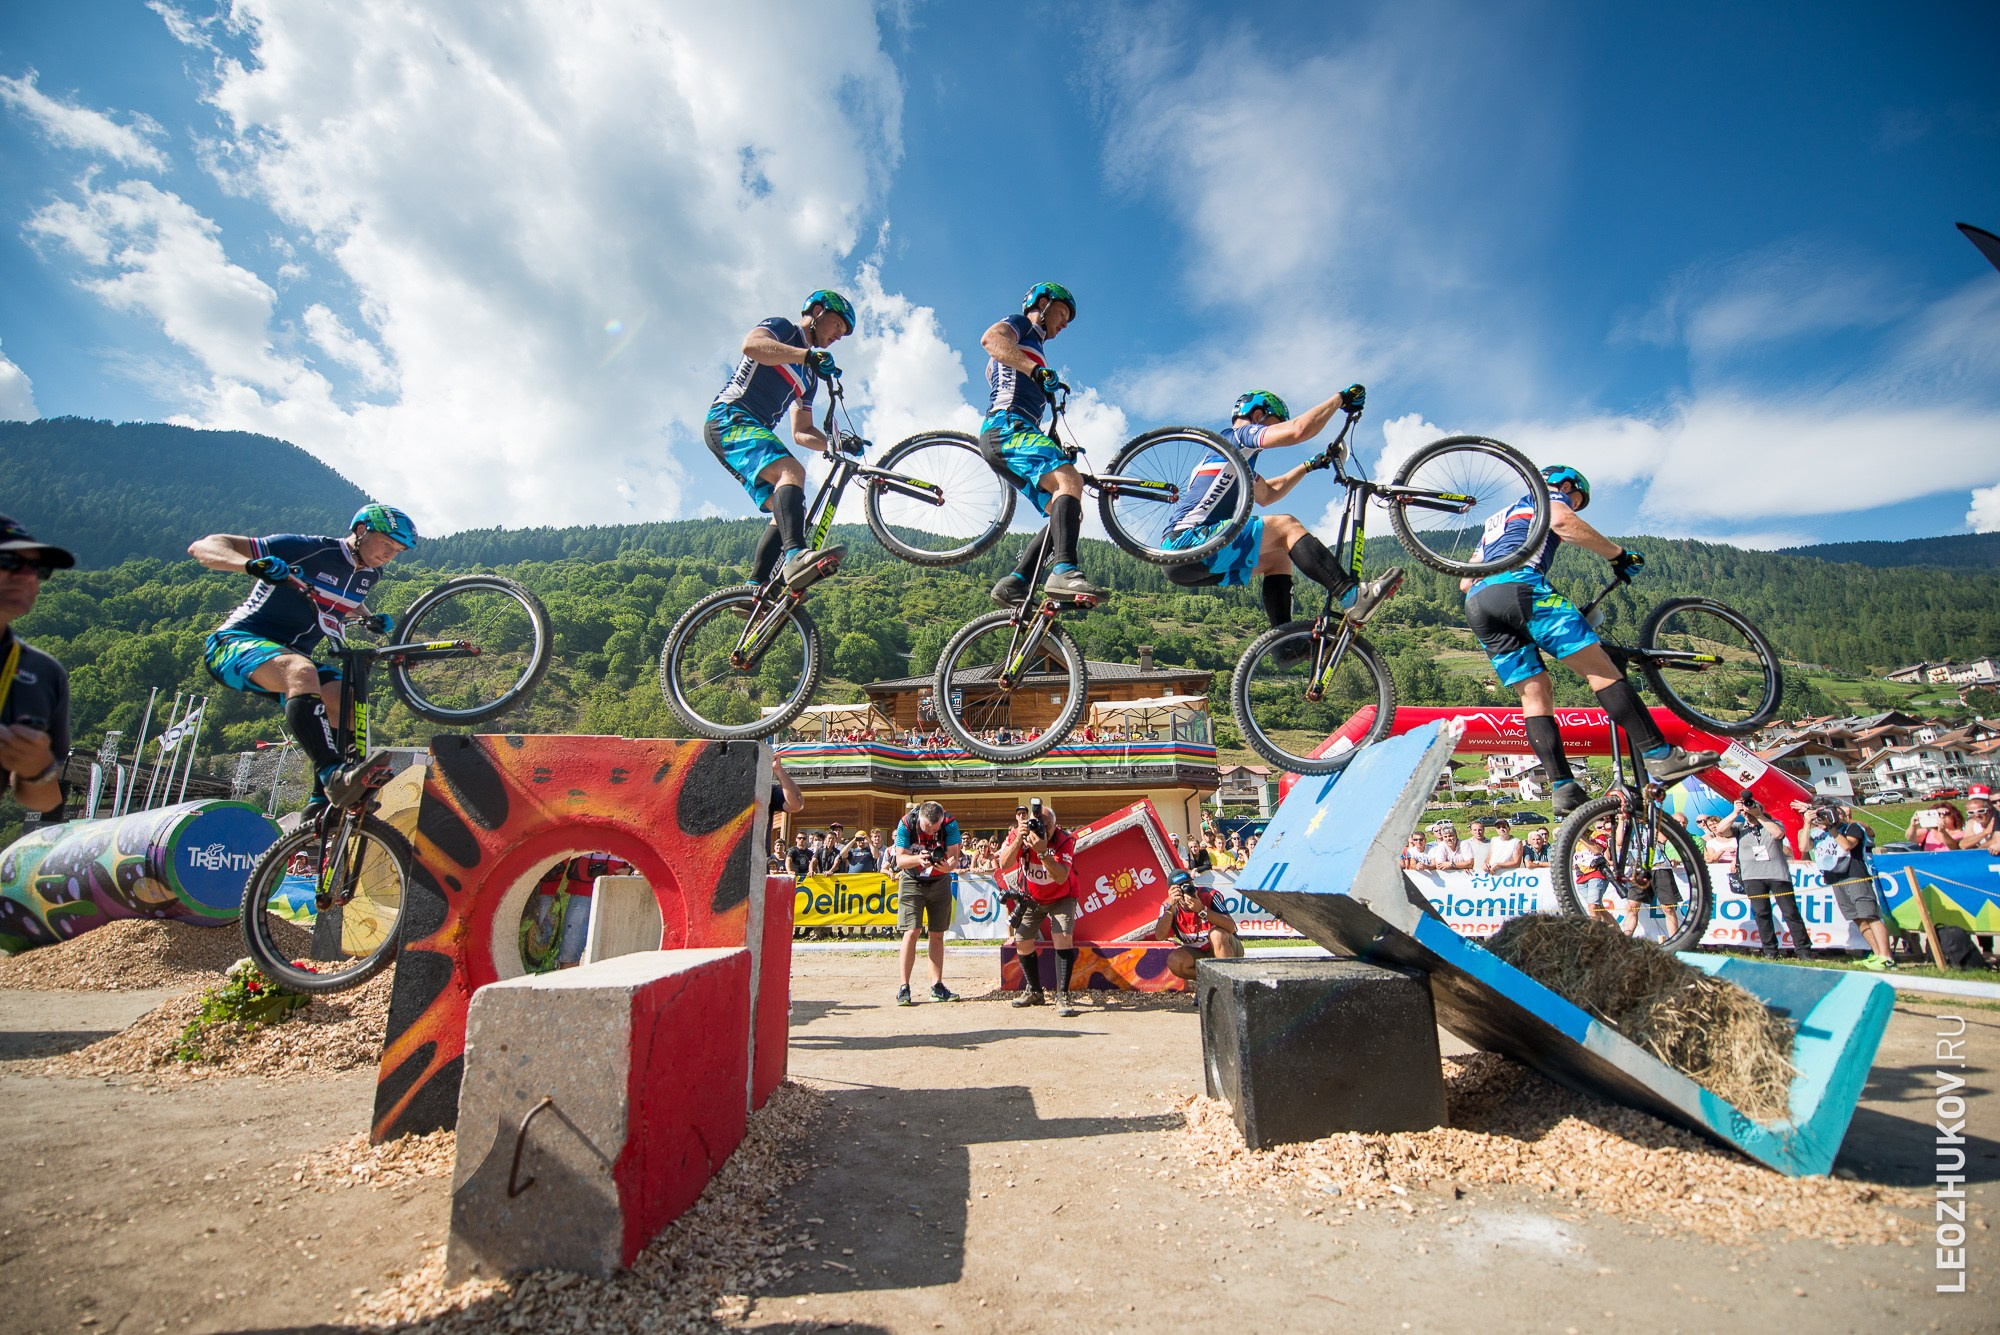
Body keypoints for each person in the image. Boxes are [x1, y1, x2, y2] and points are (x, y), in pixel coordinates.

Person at [1460, 465, 1717, 819]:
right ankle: (1660, 755)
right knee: (1601, 671)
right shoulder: (1547, 495)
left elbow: (1464, 581)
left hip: (1478, 604)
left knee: (1535, 693)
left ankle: (1563, 787)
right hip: (1521, 587)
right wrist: (1618, 555)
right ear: (1565, 485)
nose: (1575, 506)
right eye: (1577, 498)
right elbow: (1563, 522)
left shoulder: (1495, 522)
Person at [190, 504, 417, 824]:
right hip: (235, 644)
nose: (390, 555)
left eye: (398, 550)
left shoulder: (370, 574)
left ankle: (319, 803)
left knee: (347, 697)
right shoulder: (306, 549)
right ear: (362, 530)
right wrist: (252, 565)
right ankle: (331, 773)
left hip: (290, 656)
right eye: (386, 544)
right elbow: (205, 546)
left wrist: (367, 618)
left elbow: (339, 595)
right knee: (302, 670)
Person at [1161, 387, 1401, 629]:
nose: (1273, 432)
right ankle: (1352, 596)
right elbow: (1298, 430)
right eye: (1274, 424)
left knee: (1278, 557)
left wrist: (1308, 466)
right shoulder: (1240, 436)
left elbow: (1268, 493)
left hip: (1183, 564)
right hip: (1189, 542)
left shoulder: (1234, 461)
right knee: (1287, 525)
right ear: (1257, 416)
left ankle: (1284, 644)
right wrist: (1340, 399)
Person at [706, 290, 857, 590]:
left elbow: (802, 432)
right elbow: (752, 346)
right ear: (816, 312)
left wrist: (836, 441)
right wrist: (806, 355)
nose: (839, 335)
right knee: (793, 472)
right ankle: (796, 556)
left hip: (749, 429)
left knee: (789, 511)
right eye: (838, 325)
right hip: (730, 417)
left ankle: (755, 589)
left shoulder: (810, 378)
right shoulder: (783, 330)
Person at [978, 283, 1105, 604]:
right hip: (1006, 426)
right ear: (1043, 304)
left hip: (1012, 433)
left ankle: (1016, 581)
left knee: (1066, 513)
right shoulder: (1020, 326)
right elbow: (991, 340)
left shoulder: (1032, 347)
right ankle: (1064, 570)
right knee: (1068, 480)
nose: (1064, 324)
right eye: (1062, 314)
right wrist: (1036, 370)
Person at [0, 516, 74, 820]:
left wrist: (36, 769)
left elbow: (44, 801)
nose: (29, 576)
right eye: (9, 561)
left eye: (39, 569)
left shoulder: (44, 673)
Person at [998, 797, 1082, 1016]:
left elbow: (1062, 877)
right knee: (1022, 940)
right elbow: (1003, 863)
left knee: (1062, 936)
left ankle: (1063, 996)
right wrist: (1018, 839)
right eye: (1039, 825)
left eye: (1048, 826)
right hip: (1034, 897)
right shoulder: (1020, 835)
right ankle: (1035, 991)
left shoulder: (1065, 840)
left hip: (1062, 896)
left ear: (1056, 825)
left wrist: (1043, 853)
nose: (1043, 830)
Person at [1797, 799, 1895, 969]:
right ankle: (1876, 953)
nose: (1821, 817)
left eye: (1824, 813)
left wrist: (1832, 827)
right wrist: (1807, 824)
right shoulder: (1816, 833)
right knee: (1857, 919)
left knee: (1870, 916)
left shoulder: (1852, 828)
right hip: (1835, 878)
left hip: (1855, 876)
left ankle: (1887, 957)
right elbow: (1804, 847)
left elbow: (1847, 845)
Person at [892, 801, 963, 1005]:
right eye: (927, 828)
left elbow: (954, 857)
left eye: (935, 828)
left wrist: (947, 866)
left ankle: (937, 986)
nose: (932, 832)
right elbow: (899, 861)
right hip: (912, 880)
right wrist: (918, 859)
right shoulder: (906, 823)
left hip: (939, 880)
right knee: (911, 931)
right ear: (920, 818)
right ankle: (904, 987)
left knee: (937, 934)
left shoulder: (950, 824)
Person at [1727, 795, 1811, 960]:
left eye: (1753, 807)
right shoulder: (1739, 827)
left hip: (1777, 874)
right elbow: (1721, 830)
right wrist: (1735, 812)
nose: (1749, 810)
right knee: (1762, 913)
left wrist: (1759, 815)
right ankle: (1770, 951)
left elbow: (1778, 834)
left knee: (1790, 912)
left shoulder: (1773, 823)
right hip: (1752, 876)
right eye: (1747, 809)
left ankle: (1803, 950)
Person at [1154, 867, 1242, 984]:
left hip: (1227, 947)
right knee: (1174, 960)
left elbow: (1232, 927)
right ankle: (1211, 982)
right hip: (1197, 950)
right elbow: (1160, 936)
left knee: (1216, 935)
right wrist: (1171, 908)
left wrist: (1202, 910)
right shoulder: (1168, 906)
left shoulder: (1209, 895)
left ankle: (1229, 983)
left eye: (1188, 884)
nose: (1186, 890)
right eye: (1180, 887)